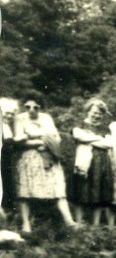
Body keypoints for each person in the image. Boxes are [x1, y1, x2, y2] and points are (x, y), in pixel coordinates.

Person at [12, 97, 75, 232]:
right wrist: (42, 141)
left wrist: (36, 139)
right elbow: (19, 141)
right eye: (28, 107)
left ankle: (69, 220)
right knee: (25, 190)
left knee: (57, 187)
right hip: (30, 157)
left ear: (40, 107)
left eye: (36, 107)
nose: (32, 110)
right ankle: (26, 224)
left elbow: (56, 138)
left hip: (48, 156)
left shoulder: (46, 118)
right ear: (24, 107)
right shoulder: (20, 118)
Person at [68, 100, 115, 226]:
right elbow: (78, 136)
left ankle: (95, 224)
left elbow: (109, 144)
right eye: (94, 112)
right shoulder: (80, 124)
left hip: (102, 163)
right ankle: (78, 223)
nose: (96, 115)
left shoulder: (105, 128)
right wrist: (99, 139)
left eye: (100, 113)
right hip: (83, 162)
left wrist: (88, 138)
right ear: (88, 111)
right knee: (81, 191)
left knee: (99, 193)